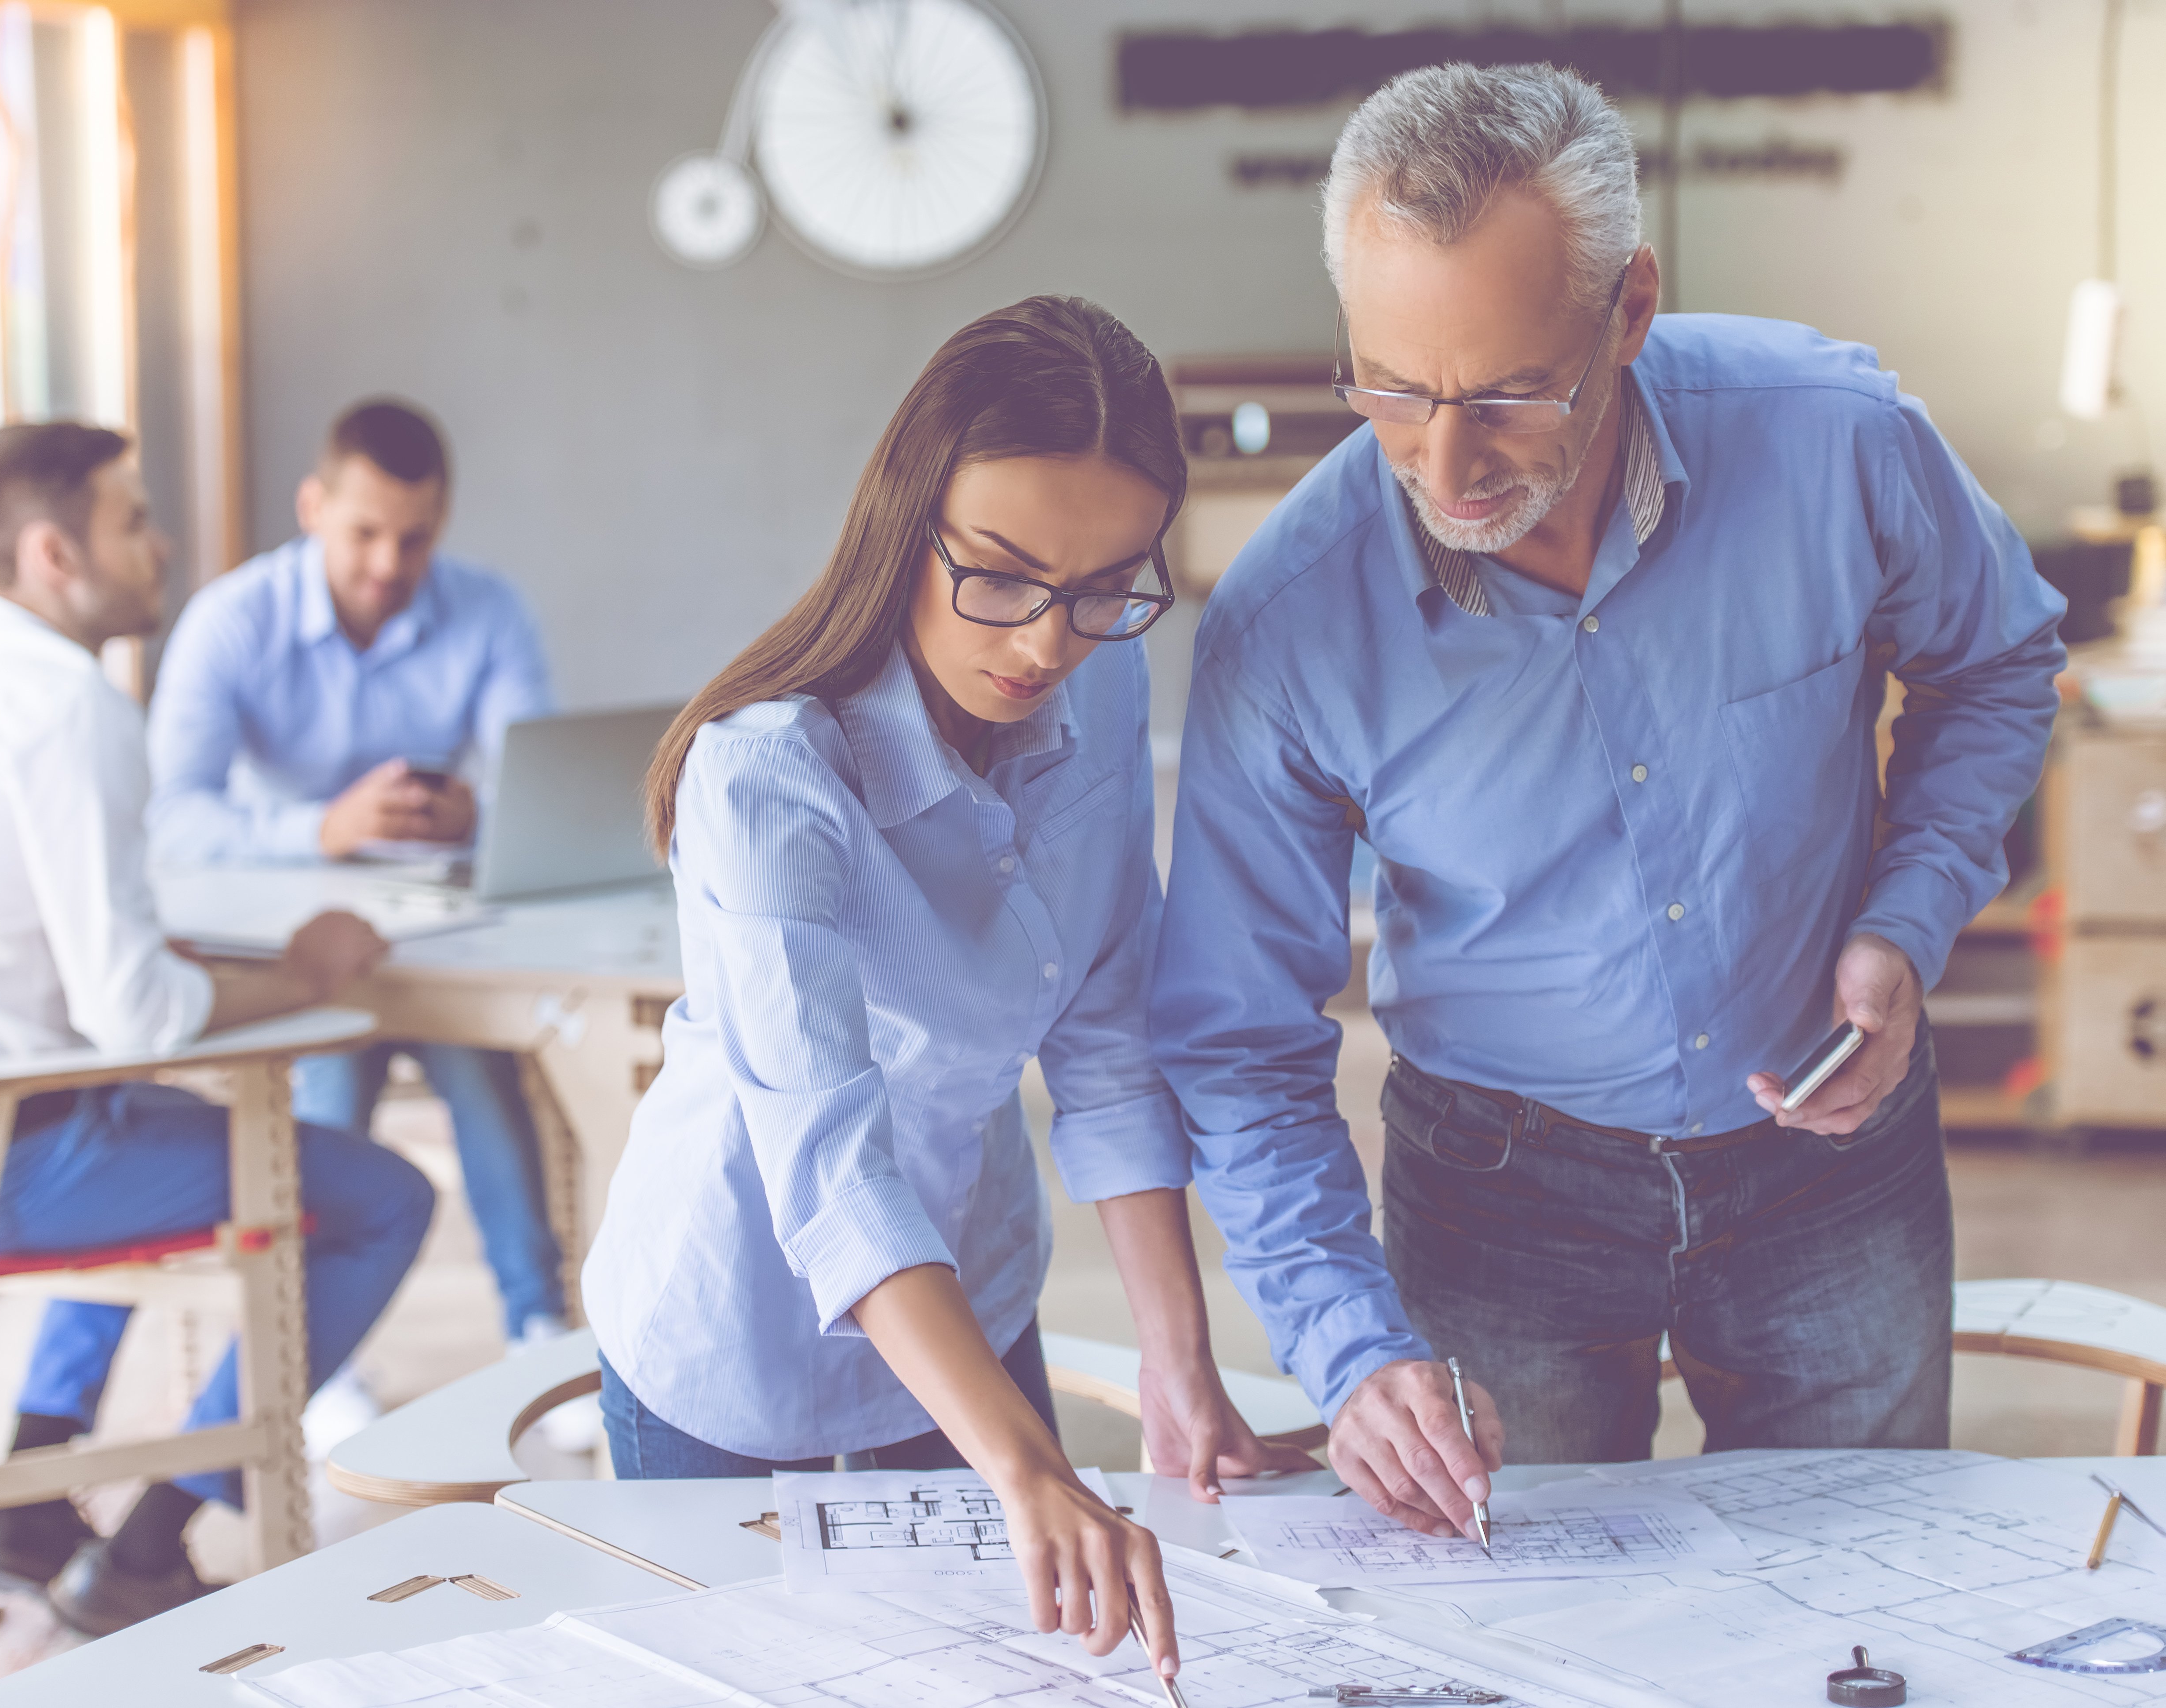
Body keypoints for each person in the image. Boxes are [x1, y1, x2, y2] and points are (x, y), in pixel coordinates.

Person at [1154, 61, 2065, 1544]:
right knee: (1526, 1633)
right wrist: (1350, 1345)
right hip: (1498, 1196)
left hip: (1836, 1163)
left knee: (1870, 1599)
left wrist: (1908, 922)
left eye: (1511, 390)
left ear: (1629, 309)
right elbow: (1238, 1041)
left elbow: (2001, 656)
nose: (1443, 465)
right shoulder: (1287, 621)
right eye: (1389, 386)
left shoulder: (1837, 437)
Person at [585, 297, 1312, 1682]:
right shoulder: (769, 773)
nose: (1044, 642)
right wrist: (1032, 1467)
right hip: (732, 1313)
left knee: (1016, 1671)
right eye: (1000, 574)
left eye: (1104, 586)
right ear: (904, 517)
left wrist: (1176, 1359)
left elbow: (1103, 1037)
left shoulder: (1092, 686)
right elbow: (832, 1173)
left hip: (968, 1281)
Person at [0, 422, 435, 1632]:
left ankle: (26, 1498)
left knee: (158, 1133)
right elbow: (136, 1010)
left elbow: (85, 964)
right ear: (54, 551)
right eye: (133, 521)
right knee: (385, 1197)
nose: (162, 547)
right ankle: (150, 1542)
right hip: (0, 1163)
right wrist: (310, 968)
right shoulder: (70, 709)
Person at [148, 399, 565, 1351]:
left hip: (440, 928)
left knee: (482, 1056)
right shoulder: (231, 623)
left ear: (443, 525)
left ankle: (536, 1323)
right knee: (330, 1075)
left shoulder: (490, 609)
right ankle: (314, 1351)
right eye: (364, 533)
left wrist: (480, 817)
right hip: (293, 933)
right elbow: (171, 821)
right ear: (311, 507)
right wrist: (321, 830)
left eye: (413, 539)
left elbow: (544, 795)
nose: (388, 564)